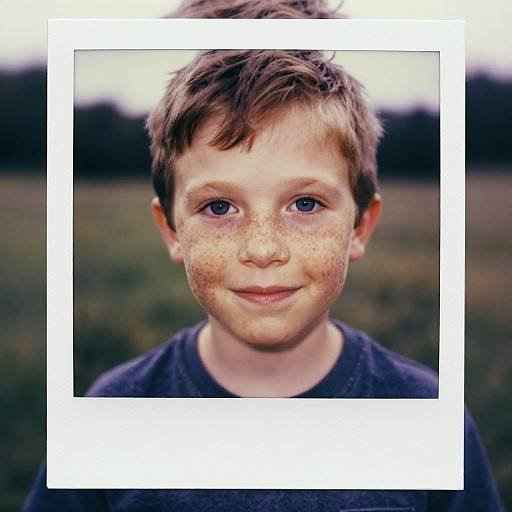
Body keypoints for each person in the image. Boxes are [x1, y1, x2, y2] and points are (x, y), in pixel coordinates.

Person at [24, 0, 504, 510]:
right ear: (172, 231)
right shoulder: (113, 412)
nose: (263, 249)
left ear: (360, 225)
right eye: (218, 206)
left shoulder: (421, 410)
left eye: (304, 203)